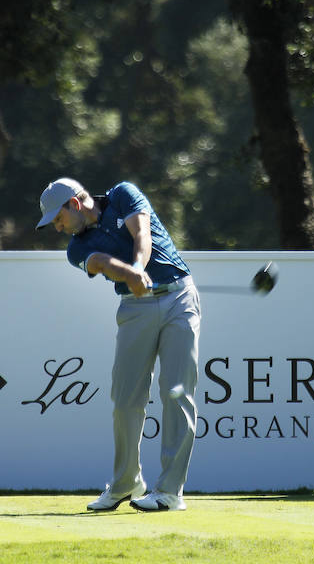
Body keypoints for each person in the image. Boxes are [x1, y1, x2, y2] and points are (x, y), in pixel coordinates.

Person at [36, 177, 201, 512]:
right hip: (134, 306)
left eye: (59, 218)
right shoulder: (76, 248)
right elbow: (103, 263)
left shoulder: (124, 194)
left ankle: (170, 492)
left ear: (75, 204)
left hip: (179, 298)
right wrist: (130, 275)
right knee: (126, 399)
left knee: (177, 391)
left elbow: (142, 234)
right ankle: (126, 481)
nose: (58, 226)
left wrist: (139, 267)